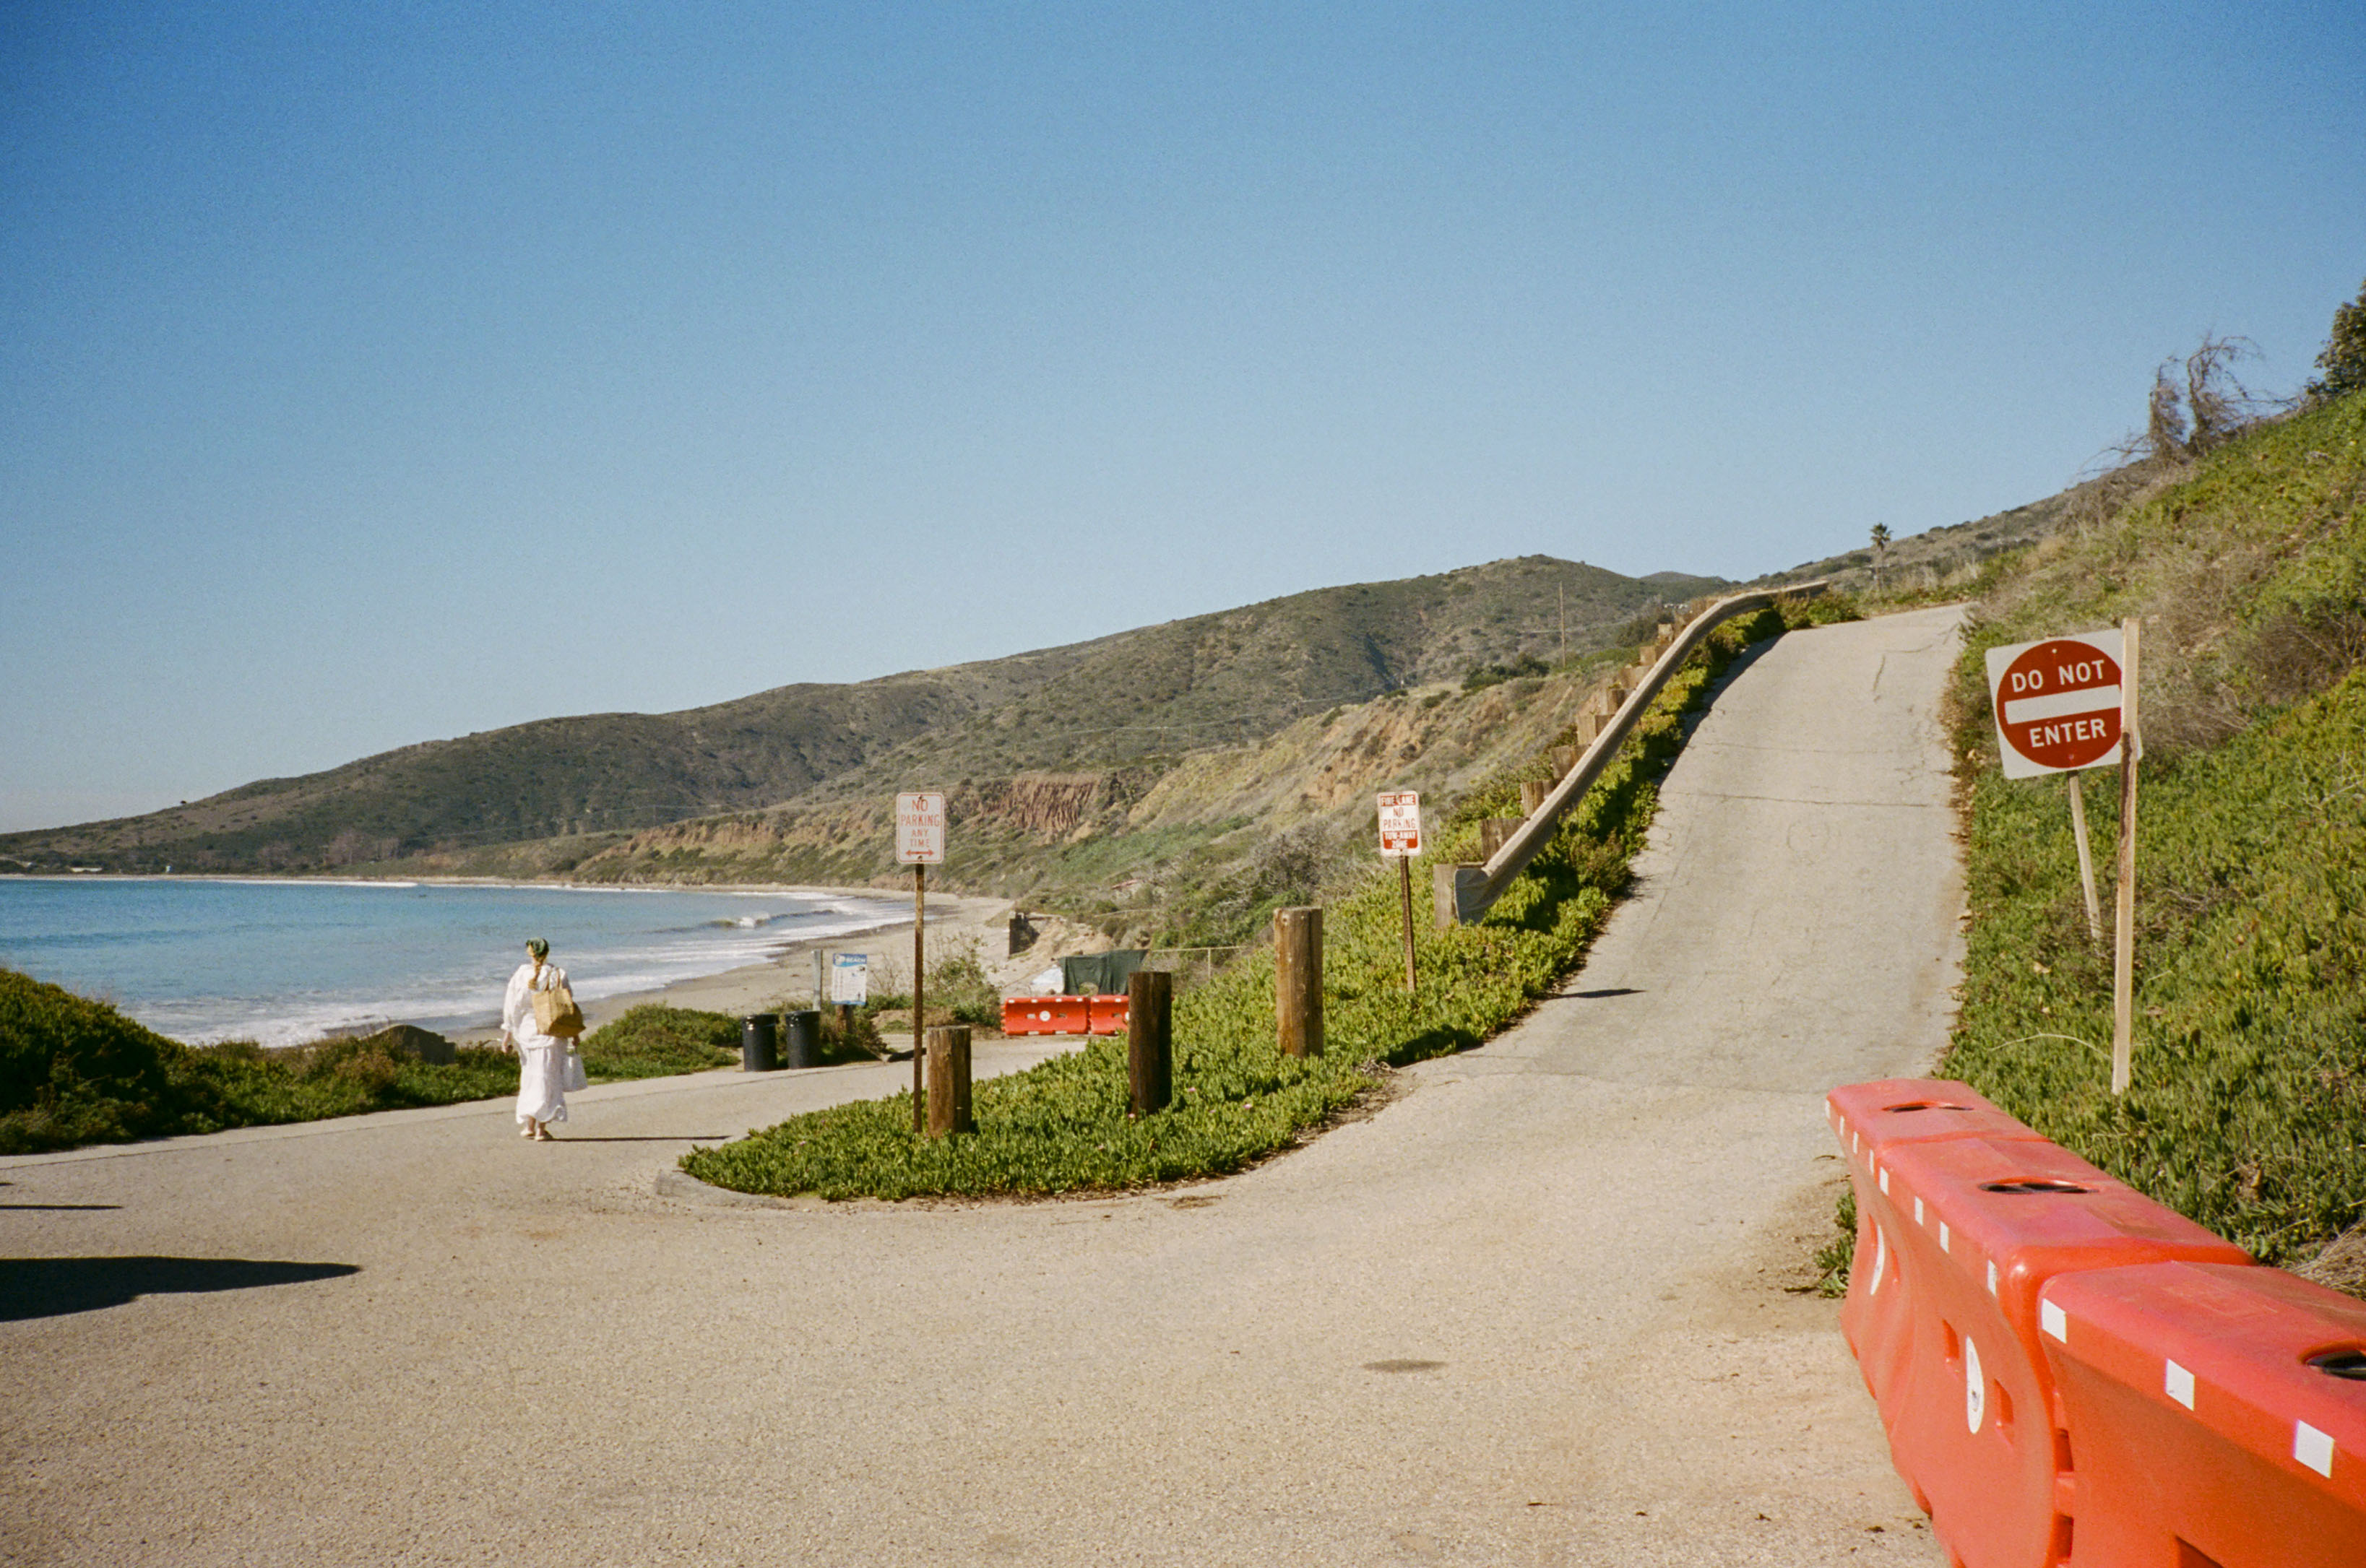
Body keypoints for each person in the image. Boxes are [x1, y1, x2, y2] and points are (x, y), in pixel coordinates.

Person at [501, 938, 571, 1141]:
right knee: (548, 1080)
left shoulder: (520, 974)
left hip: (526, 1033)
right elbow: (567, 1007)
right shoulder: (558, 974)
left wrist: (507, 1036)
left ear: (529, 953)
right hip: (551, 1032)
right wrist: (574, 1034)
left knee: (530, 1078)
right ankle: (541, 1129)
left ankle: (529, 1126)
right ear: (547, 953)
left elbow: (511, 1008)